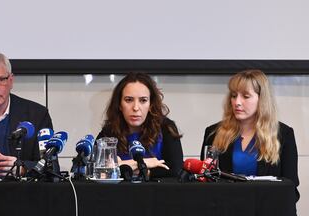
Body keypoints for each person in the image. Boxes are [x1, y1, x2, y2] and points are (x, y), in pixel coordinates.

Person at [201, 69, 299, 201]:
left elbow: (290, 187)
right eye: (234, 96)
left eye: (246, 96)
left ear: (262, 99)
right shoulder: (213, 133)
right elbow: (204, 183)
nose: (237, 102)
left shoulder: (283, 134)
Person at [96, 72, 183, 178]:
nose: (136, 107)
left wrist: (123, 166)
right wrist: (146, 164)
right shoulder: (109, 132)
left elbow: (175, 170)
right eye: (129, 100)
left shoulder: (166, 127)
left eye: (143, 100)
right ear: (119, 104)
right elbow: (97, 169)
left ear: (151, 104)